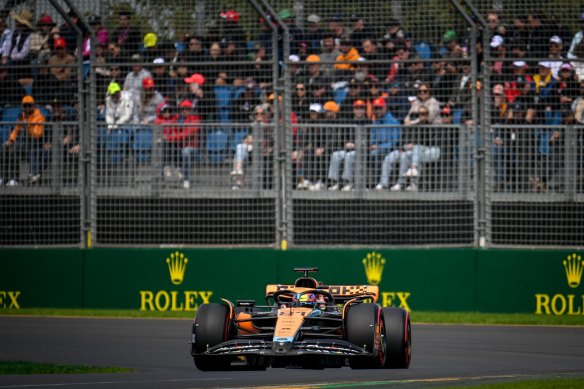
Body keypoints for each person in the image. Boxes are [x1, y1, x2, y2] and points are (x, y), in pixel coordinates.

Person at [1, 96, 47, 186]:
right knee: (5, 149)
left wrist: (27, 126)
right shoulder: (22, 116)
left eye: (29, 106)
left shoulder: (39, 117)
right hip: (24, 143)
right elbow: (16, 130)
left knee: (16, 151)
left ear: (33, 106)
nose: (26, 108)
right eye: (25, 106)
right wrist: (11, 140)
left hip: (35, 144)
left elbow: (38, 134)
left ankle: (15, 178)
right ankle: (5, 177)